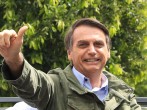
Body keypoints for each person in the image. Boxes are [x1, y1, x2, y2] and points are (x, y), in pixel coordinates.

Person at [0, 18, 141, 110]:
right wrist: (14, 59)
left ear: (108, 52)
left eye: (98, 44)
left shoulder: (123, 93)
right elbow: (33, 84)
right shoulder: (55, 87)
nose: (92, 51)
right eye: (83, 45)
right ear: (69, 53)